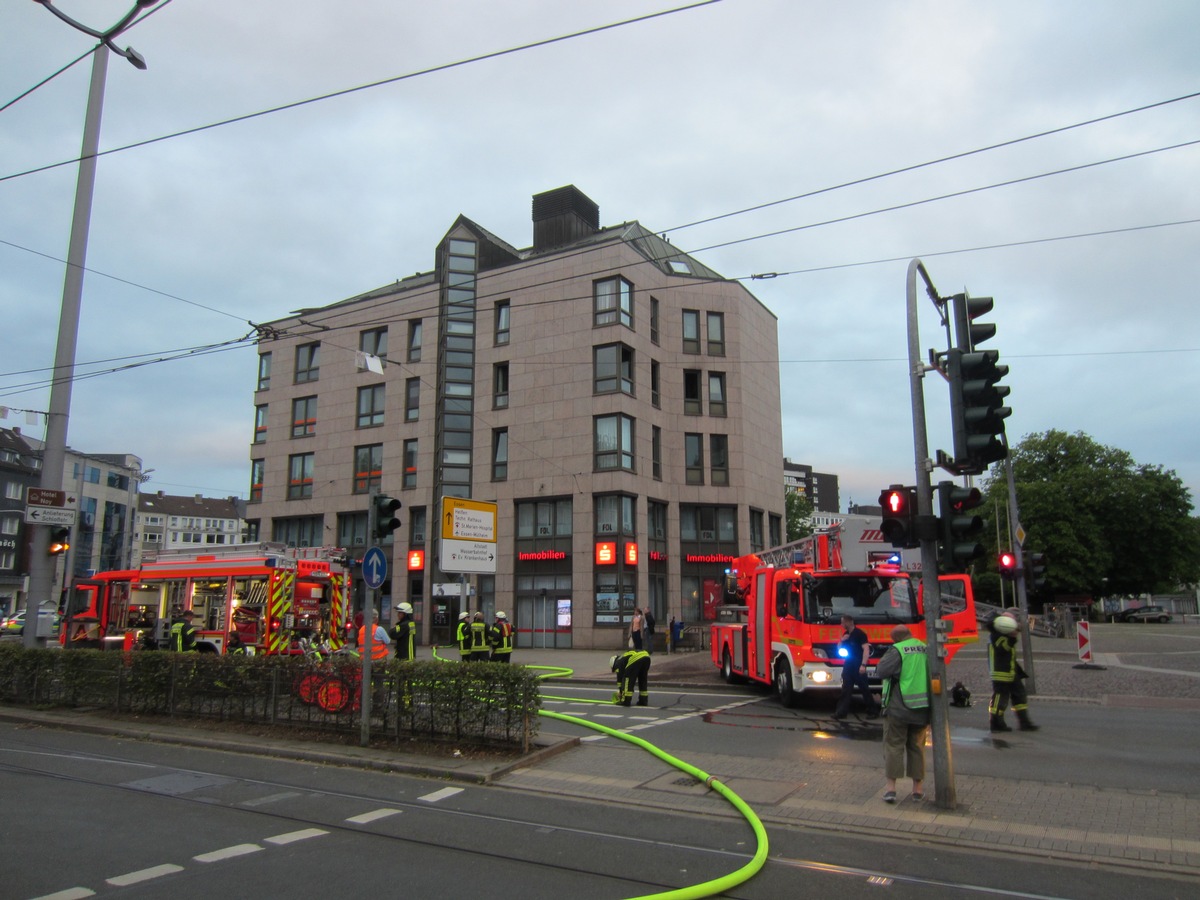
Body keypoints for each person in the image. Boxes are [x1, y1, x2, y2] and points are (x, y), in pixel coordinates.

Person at [876, 624, 930, 803]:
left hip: (899, 707)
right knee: (917, 748)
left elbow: (881, 671)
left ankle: (891, 790)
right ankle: (917, 790)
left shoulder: (897, 650)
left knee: (894, 746)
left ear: (896, 639)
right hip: (922, 708)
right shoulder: (924, 648)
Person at [988, 613, 1039, 732]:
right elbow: (1003, 647)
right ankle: (996, 723)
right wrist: (1011, 637)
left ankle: (1024, 722)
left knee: (1020, 695)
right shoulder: (997, 635)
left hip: (1011, 671)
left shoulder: (1002, 633)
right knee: (1000, 698)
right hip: (1001, 673)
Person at [833, 614, 880, 719]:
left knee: (864, 689)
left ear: (849, 622)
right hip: (848, 664)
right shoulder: (846, 635)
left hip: (858, 663)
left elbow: (866, 649)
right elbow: (838, 648)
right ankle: (841, 712)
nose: (841, 625)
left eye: (843, 622)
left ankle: (873, 711)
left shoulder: (860, 634)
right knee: (846, 689)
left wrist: (863, 665)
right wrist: (842, 640)